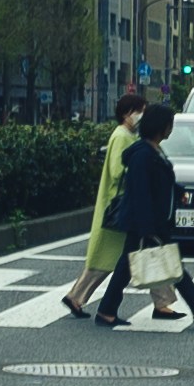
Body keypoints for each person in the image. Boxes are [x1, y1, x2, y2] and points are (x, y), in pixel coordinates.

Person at [104, 103, 194, 327]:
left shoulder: (151, 150)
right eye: (169, 124)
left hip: (150, 219)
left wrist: (179, 192)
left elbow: (160, 182)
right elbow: (141, 192)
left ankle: (106, 310)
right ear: (161, 127)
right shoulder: (143, 155)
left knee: (127, 266)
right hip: (146, 220)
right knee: (171, 263)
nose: (171, 129)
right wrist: (147, 228)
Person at [59, 81, 147, 321]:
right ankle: (76, 297)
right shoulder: (121, 136)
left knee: (110, 259)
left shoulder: (126, 135)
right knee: (111, 259)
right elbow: (119, 171)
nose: (142, 117)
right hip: (117, 205)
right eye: (141, 111)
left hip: (117, 204)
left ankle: (76, 297)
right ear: (128, 113)